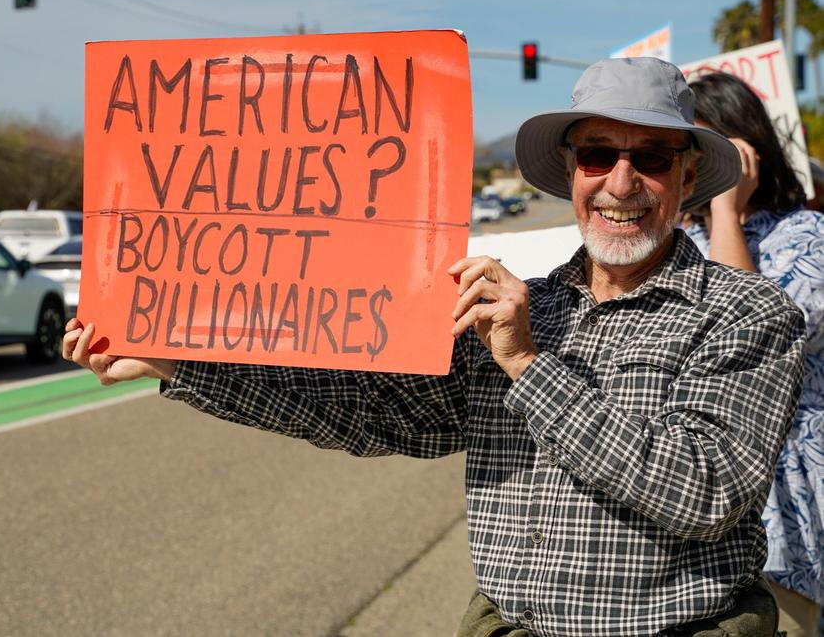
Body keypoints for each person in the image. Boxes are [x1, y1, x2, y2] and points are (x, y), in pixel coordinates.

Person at [65, 58, 806, 636]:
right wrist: (184, 362)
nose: (621, 180)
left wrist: (527, 366)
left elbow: (703, 490)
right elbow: (371, 411)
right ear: (571, 173)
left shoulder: (747, 312)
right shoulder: (524, 305)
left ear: (683, 174)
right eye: (598, 154)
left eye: (648, 157)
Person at [684, 71, 824, 637]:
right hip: (701, 491)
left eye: (707, 149)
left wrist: (725, 210)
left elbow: (750, 336)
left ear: (748, 148)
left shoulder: (805, 234)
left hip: (792, 494)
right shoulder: (672, 241)